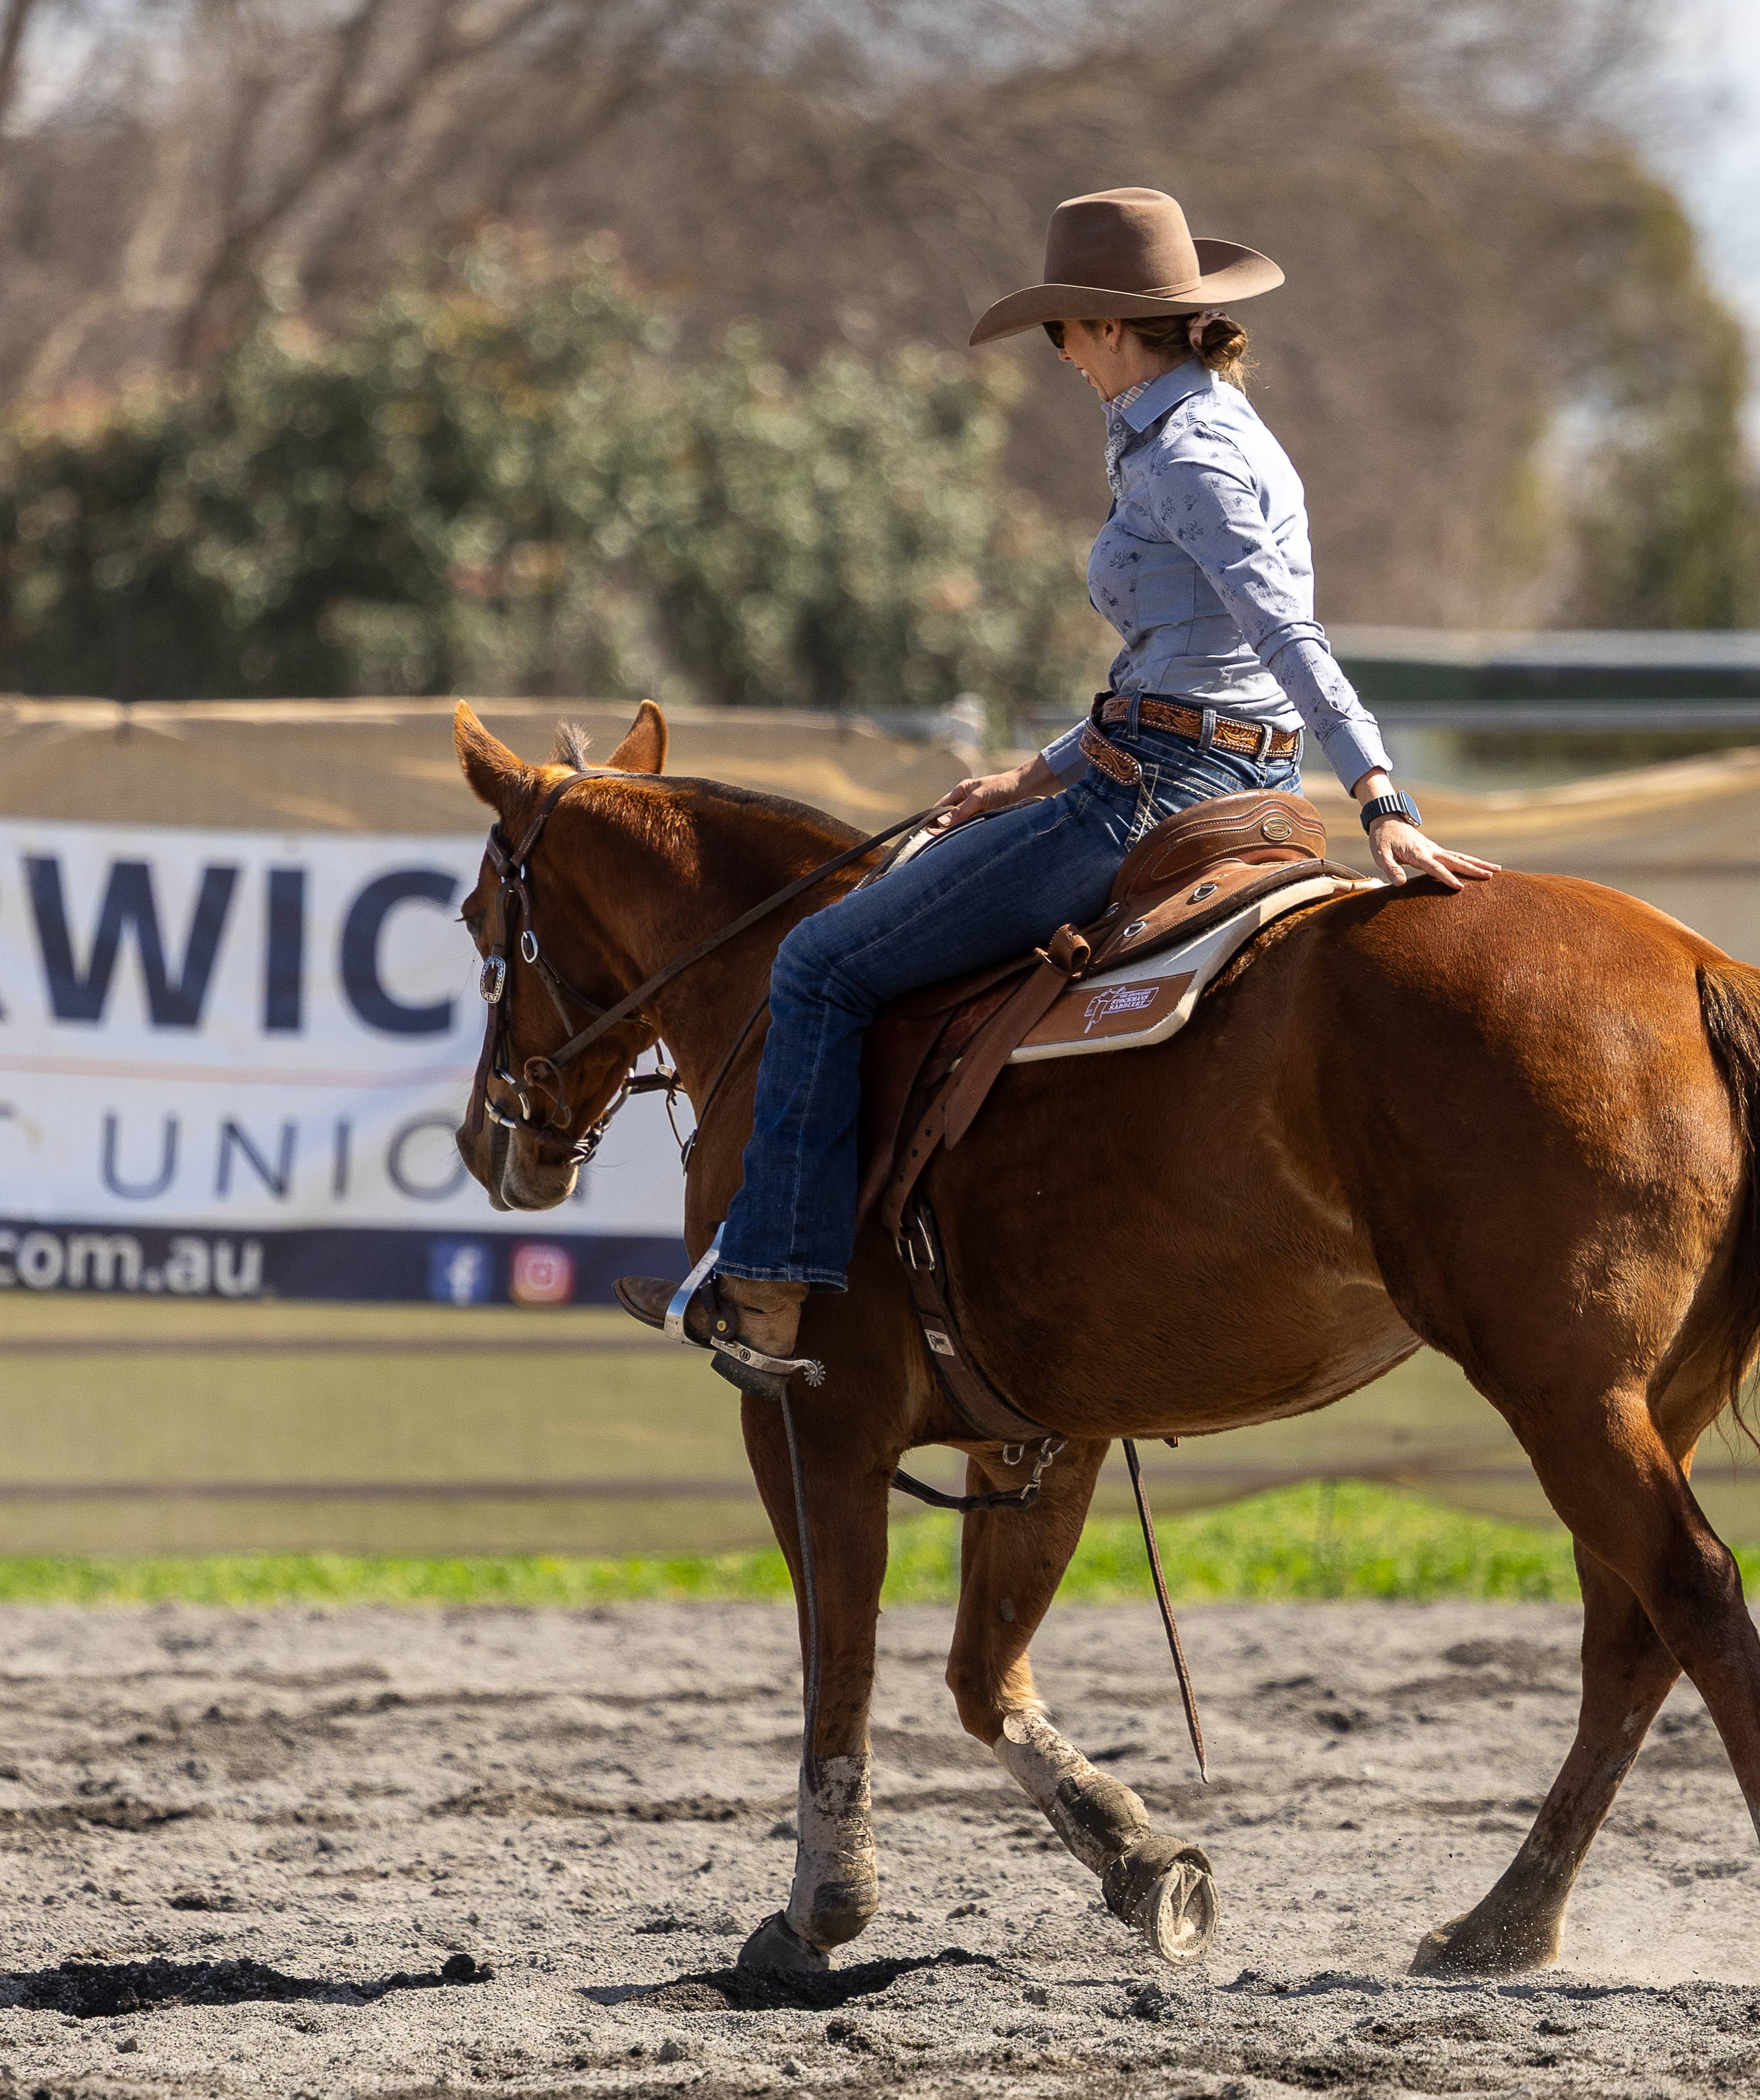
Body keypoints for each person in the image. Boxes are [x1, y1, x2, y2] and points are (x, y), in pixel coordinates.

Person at [619, 186, 1496, 1394]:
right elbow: (1191, 664)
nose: (1061, 358)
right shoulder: (1209, 426)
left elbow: (1287, 638)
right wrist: (1037, 771)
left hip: (1159, 794)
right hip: (1197, 766)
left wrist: (1384, 798)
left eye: (1061, 334)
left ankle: (769, 1280)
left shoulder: (1185, 454)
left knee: (819, 963)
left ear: (1104, 327)